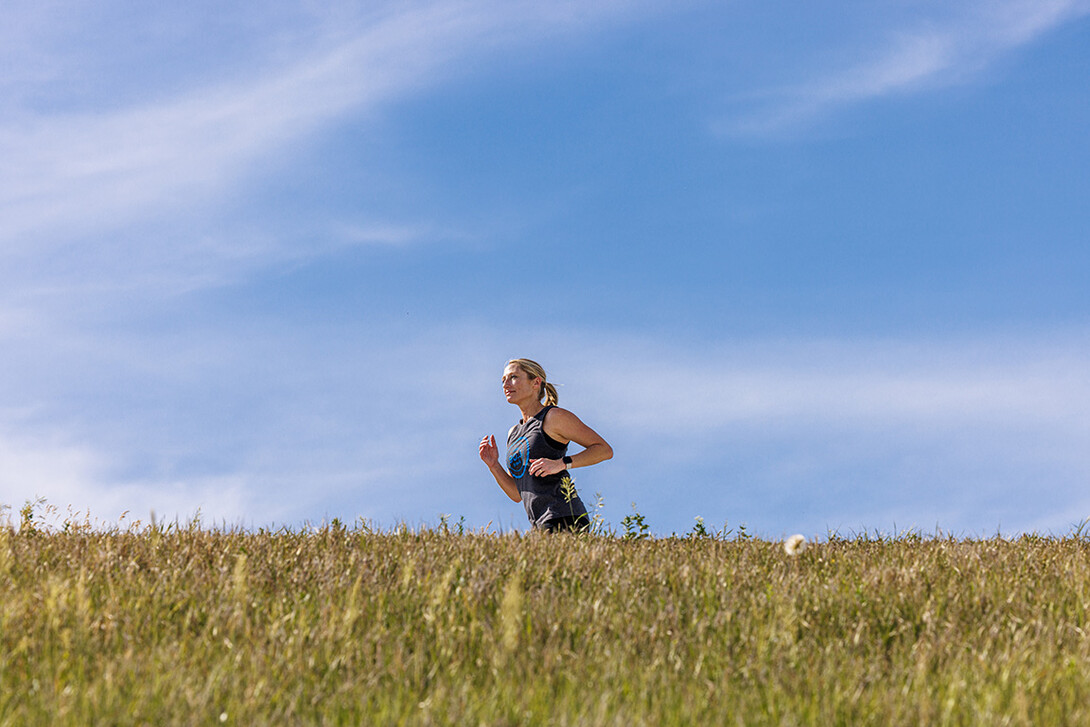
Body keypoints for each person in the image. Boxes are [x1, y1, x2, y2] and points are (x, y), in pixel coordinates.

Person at [479, 358, 613, 532]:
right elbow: (516, 493)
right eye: (503, 380)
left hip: (564, 516)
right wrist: (494, 465)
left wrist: (561, 463)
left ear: (535, 382)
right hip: (539, 523)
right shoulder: (513, 433)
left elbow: (604, 450)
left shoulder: (553, 417)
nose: (506, 384)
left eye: (513, 377)